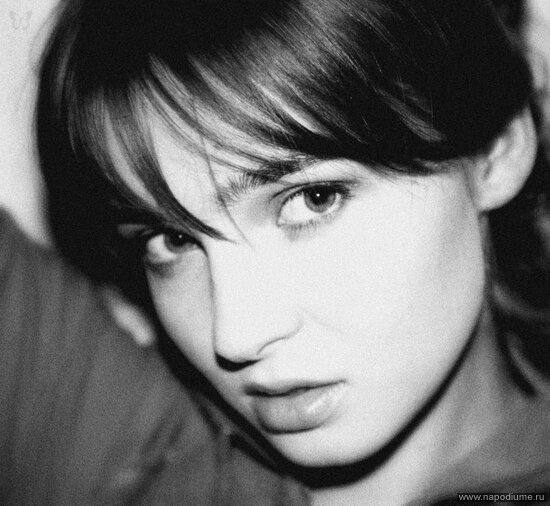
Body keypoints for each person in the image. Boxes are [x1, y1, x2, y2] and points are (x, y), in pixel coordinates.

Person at [21, 0, 550, 503]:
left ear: (493, 153)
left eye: (313, 199)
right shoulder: (126, 438)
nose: (236, 336)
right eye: (172, 239)